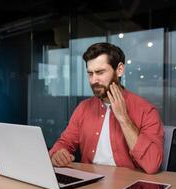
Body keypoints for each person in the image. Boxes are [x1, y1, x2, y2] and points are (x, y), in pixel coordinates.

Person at [49, 42, 164, 174]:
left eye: (100, 72)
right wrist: (57, 153)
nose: (93, 80)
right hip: (88, 184)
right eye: (90, 73)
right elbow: (64, 143)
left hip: (127, 186)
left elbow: (152, 165)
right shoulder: (83, 108)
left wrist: (123, 119)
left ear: (119, 69)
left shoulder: (146, 111)